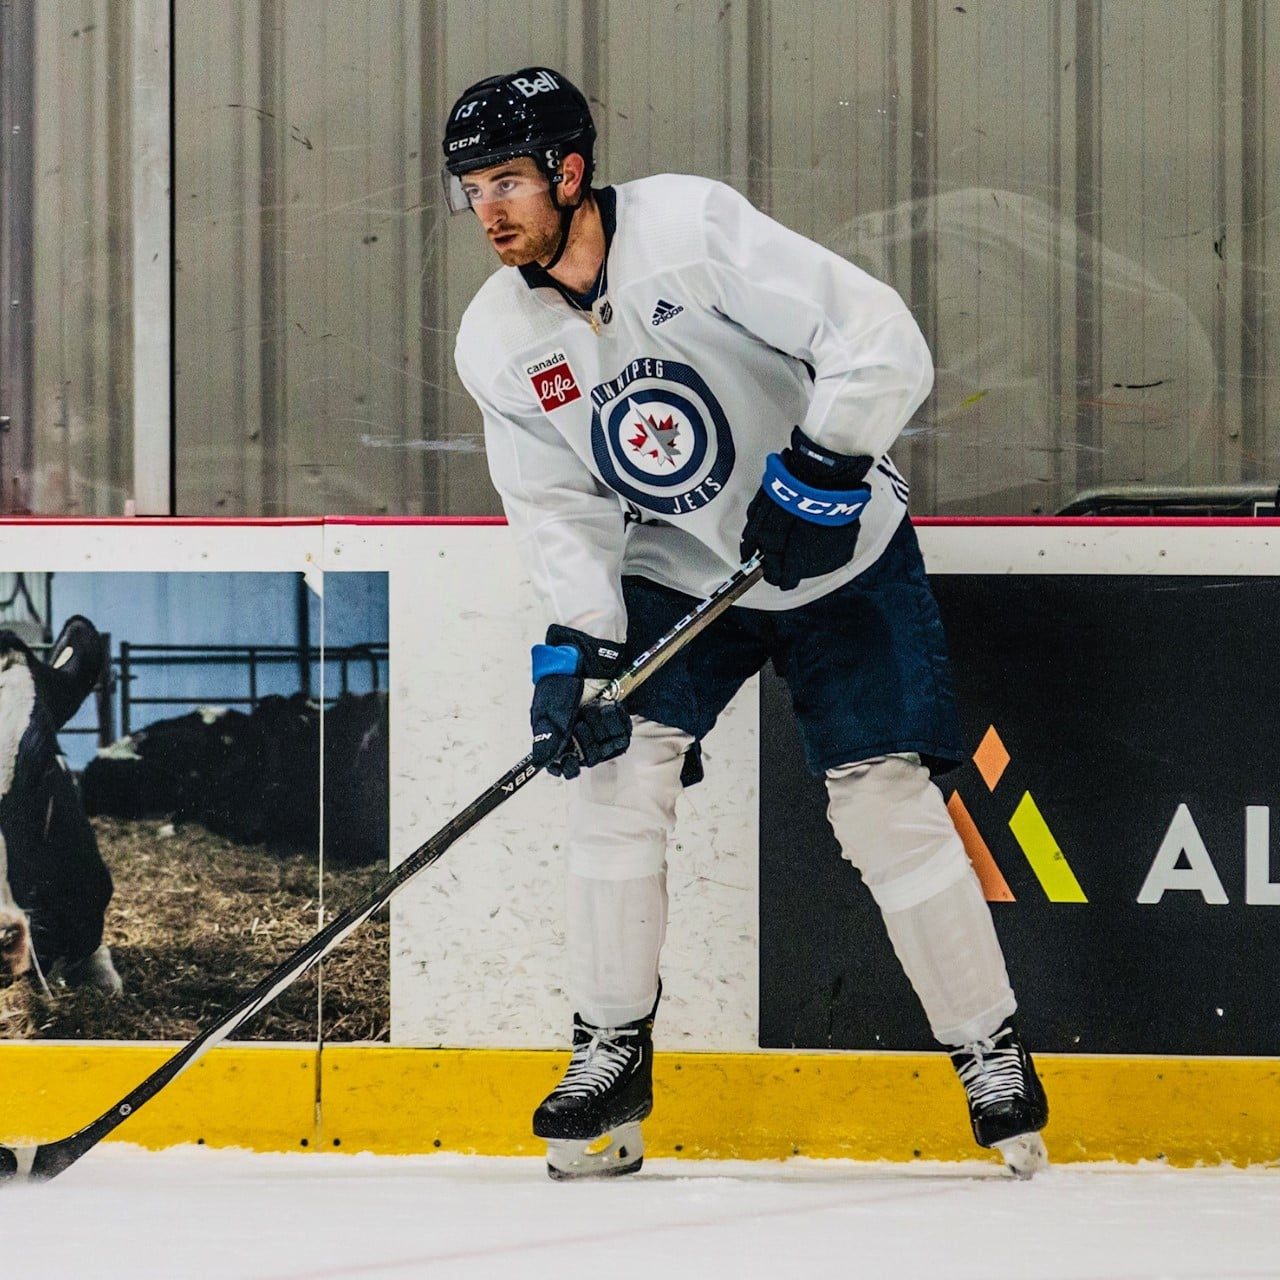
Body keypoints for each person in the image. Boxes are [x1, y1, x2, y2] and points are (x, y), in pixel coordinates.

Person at [443, 67, 1048, 1181]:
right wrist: (578, 646)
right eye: (472, 189)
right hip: (681, 572)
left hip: (841, 556)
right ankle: (609, 1051)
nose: (489, 209)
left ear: (570, 173)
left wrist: (824, 467)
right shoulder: (496, 339)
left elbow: (878, 335)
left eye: (509, 181)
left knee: (883, 803)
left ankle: (988, 1050)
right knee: (617, 778)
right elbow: (559, 506)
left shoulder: (689, 229)